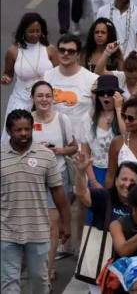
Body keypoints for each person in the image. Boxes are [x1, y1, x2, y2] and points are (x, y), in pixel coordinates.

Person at [1, 109, 71, 294]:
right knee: (9, 282)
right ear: (9, 131)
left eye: (27, 129)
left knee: (40, 280)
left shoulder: (46, 156)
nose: (24, 133)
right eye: (18, 130)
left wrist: (66, 222)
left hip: (39, 231)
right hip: (6, 232)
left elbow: (57, 190)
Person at [29, 81, 77, 283]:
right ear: (32, 98)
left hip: (56, 178)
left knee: (51, 227)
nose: (44, 100)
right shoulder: (26, 120)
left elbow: (73, 147)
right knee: (33, 227)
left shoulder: (62, 119)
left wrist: (58, 151)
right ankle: (34, 265)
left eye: (48, 95)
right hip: (31, 180)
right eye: (39, 96)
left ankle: (47, 274)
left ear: (53, 98)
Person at [1, 13, 57, 138]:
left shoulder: (49, 49)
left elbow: (59, 73)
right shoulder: (13, 51)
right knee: (17, 136)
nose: (35, 34)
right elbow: (8, 74)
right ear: (23, 31)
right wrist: (6, 78)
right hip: (21, 101)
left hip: (44, 101)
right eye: (31, 31)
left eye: (38, 31)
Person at [43, 34, 99, 144]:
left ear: (78, 54)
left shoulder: (92, 79)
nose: (65, 54)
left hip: (81, 144)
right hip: (51, 142)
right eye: (62, 50)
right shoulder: (47, 76)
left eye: (71, 51)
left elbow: (99, 111)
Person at [83, 75, 125, 187]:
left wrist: (118, 108)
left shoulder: (125, 115)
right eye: (101, 93)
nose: (105, 96)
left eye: (110, 93)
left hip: (121, 171)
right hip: (97, 171)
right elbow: (85, 153)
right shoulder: (88, 118)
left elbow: (127, 137)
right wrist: (93, 181)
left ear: (117, 95)